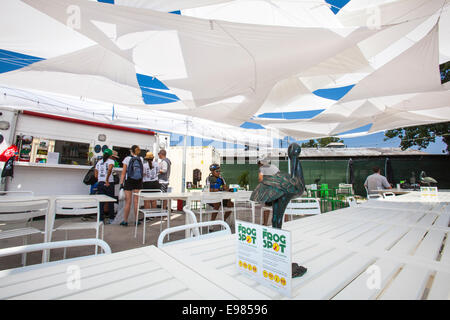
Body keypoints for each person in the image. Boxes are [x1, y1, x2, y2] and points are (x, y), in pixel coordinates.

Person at [119, 145, 144, 226]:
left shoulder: (127, 159)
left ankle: (125, 221)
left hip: (129, 180)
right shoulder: (141, 159)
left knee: (128, 202)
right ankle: (136, 221)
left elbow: (123, 172)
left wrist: (121, 183)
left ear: (131, 151)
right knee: (136, 202)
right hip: (138, 181)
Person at [94, 148, 117, 223]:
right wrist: (106, 179)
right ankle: (111, 218)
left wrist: (100, 179)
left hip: (100, 183)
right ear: (110, 155)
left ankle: (100, 219)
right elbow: (110, 170)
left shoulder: (99, 162)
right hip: (109, 183)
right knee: (110, 201)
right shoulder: (111, 161)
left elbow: (95, 173)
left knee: (101, 201)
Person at [257, 156, 280, 226]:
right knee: (281, 206)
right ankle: (287, 223)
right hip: (279, 189)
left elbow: (260, 179)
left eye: (258, 163)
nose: (258, 165)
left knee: (266, 206)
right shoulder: (274, 167)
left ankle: (265, 224)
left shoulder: (262, 168)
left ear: (261, 162)